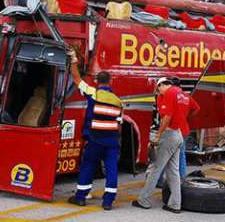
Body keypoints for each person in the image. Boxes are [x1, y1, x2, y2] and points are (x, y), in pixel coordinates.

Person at [66, 50, 123, 210]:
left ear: (97, 81)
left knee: (88, 164)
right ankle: (108, 202)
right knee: (111, 168)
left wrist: (73, 61)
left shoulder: (94, 93)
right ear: (110, 82)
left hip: (95, 139)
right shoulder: (118, 101)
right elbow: (119, 123)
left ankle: (81, 197)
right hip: (112, 141)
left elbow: (77, 80)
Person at [132, 77, 199, 213]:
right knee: (173, 171)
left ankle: (144, 200)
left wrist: (158, 135)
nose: (158, 92)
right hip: (179, 134)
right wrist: (183, 119)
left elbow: (167, 116)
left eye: (158, 89)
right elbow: (196, 108)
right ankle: (175, 204)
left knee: (156, 168)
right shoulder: (182, 94)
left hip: (169, 134)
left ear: (162, 85)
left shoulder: (169, 94)